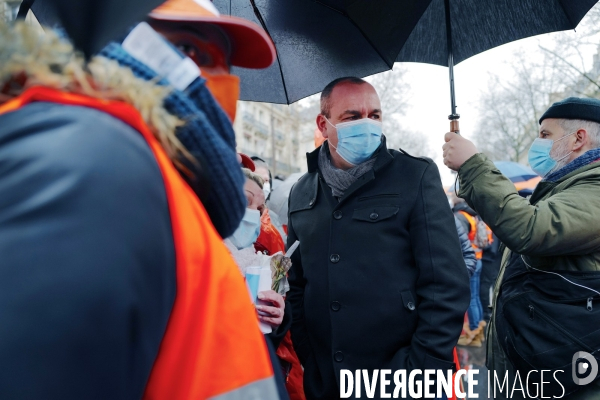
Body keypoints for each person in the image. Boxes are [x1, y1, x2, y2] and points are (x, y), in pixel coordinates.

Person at [0, 7, 281, 400]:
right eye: (187, 48)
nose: (216, 81)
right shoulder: (94, 158)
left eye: (223, 63)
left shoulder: (153, 174)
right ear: (120, 39)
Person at [287, 76, 470, 399]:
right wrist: (310, 356)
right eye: (352, 116)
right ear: (323, 123)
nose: (367, 124)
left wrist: (420, 372)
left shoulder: (415, 176)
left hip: (401, 378)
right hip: (326, 380)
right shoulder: (302, 191)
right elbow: (298, 284)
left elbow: (446, 284)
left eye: (374, 115)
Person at [442, 97, 600, 399]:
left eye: (545, 135)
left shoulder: (594, 188)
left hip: (565, 374)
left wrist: (473, 164)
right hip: (542, 364)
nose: (537, 144)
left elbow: (530, 228)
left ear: (579, 138)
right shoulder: (566, 187)